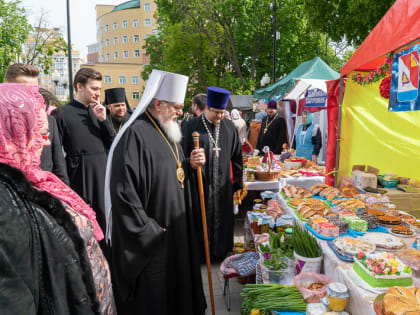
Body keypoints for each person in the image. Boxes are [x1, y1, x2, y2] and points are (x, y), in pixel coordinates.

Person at [0, 83, 114, 314]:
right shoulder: (5, 202)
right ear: (12, 130)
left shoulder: (33, 180)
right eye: (39, 132)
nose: (47, 142)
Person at [104, 70, 206, 315]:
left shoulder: (168, 129)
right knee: (157, 297)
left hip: (177, 232)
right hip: (155, 238)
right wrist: (148, 229)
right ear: (158, 104)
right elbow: (123, 192)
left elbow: (175, 175)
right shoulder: (134, 135)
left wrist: (190, 167)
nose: (181, 113)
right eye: (176, 107)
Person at [182, 86, 243, 260]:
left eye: (222, 112)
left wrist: (238, 182)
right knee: (200, 220)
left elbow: (237, 155)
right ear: (207, 108)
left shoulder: (229, 126)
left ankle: (221, 252)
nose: (219, 116)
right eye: (216, 112)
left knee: (223, 219)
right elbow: (181, 156)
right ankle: (202, 255)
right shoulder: (191, 126)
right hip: (199, 186)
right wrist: (189, 163)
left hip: (222, 186)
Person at [56, 68, 115, 233]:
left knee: (106, 220)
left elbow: (113, 144)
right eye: (94, 88)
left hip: (102, 173)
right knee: (85, 224)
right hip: (80, 175)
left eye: (99, 89)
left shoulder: (98, 111)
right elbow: (56, 151)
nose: (98, 93)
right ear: (79, 86)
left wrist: (103, 121)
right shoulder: (62, 113)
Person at [5, 63, 69, 185]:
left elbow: (60, 170)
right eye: (23, 90)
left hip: (46, 197)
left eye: (34, 90)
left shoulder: (50, 121)